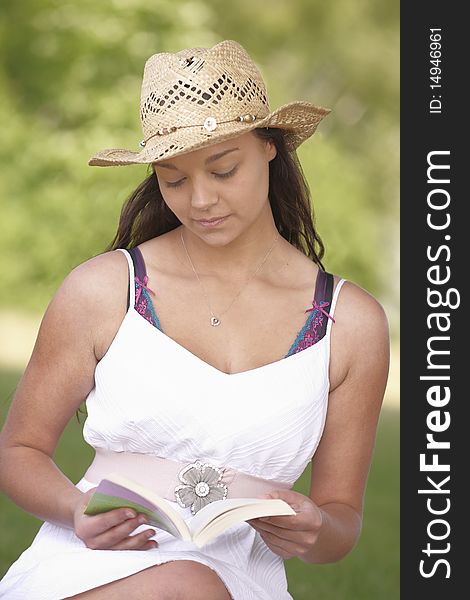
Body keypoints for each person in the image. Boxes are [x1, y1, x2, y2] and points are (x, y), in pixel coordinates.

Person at [0, 39, 389, 600]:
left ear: (270, 148)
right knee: (184, 584)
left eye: (223, 169)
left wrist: (315, 528)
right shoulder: (105, 290)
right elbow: (19, 452)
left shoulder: (350, 325)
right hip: (89, 565)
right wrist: (75, 507)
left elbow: (340, 522)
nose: (200, 199)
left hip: (241, 579)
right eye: (173, 179)